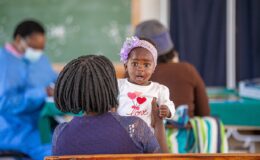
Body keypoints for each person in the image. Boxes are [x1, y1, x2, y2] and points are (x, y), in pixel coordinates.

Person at [52, 55, 161, 155]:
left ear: (74, 91)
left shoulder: (60, 134)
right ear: (112, 86)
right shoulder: (136, 128)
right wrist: (159, 122)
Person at [0, 20, 57, 160]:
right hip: (13, 129)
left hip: (40, 124)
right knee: (52, 152)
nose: (37, 52)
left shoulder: (41, 59)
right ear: (19, 39)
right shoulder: (3, 62)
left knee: (69, 140)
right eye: (33, 47)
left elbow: (54, 78)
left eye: (41, 48)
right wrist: (42, 92)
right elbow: (4, 103)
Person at [134, 20, 210, 118]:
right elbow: (204, 112)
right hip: (183, 132)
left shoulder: (133, 74)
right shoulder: (187, 70)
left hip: (145, 132)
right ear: (170, 49)